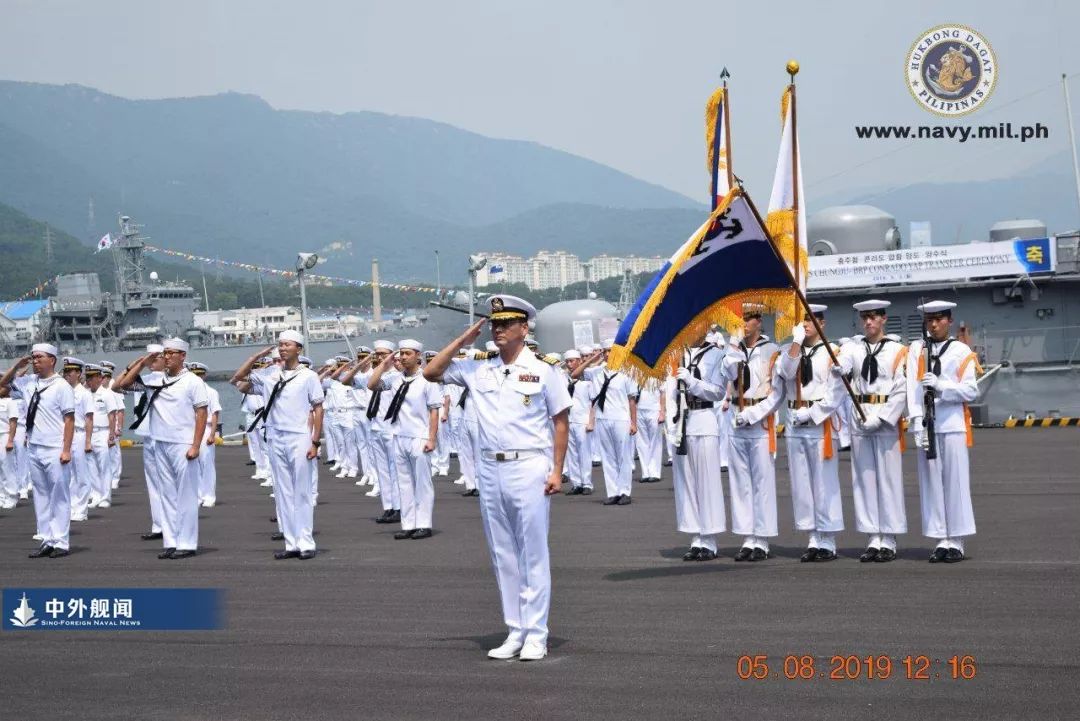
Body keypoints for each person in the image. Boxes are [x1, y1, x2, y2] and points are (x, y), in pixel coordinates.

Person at [424, 295, 570, 662]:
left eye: (507, 323)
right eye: (494, 323)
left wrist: (556, 470)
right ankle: (515, 631)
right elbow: (431, 372)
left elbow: (560, 422)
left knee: (533, 552)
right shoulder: (478, 367)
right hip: (490, 468)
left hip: (529, 466)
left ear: (525, 328)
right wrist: (463, 340)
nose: (498, 329)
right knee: (502, 553)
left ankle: (537, 633)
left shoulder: (545, 369)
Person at [232, 331, 325, 560]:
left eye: (287, 344)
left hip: (299, 436)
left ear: (299, 348)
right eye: (280, 345)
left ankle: (306, 543)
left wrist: (315, 441)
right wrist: (257, 356)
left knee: (301, 491)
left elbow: (318, 408)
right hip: (275, 436)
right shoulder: (269, 374)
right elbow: (237, 380)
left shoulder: (309, 376)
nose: (282, 348)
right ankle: (291, 543)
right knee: (282, 492)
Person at [114, 339, 208, 560]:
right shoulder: (155, 380)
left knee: (185, 495)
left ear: (182, 356)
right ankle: (172, 541)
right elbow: (122, 385)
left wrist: (196, 445)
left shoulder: (192, 382)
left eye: (170, 353)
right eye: (164, 353)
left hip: (183, 444)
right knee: (167, 494)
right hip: (160, 442)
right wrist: (143, 362)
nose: (166, 356)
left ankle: (187, 543)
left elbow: (201, 413)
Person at [835, 300, 909, 562]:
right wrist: (840, 368)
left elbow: (902, 388)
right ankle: (872, 537)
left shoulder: (898, 350)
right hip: (860, 416)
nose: (868, 322)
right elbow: (845, 364)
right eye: (864, 317)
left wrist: (884, 418)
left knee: (888, 480)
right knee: (864, 480)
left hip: (884, 419)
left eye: (873, 317)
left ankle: (889, 537)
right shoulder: (853, 348)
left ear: (884, 319)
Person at [906, 300, 980, 563]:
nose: (934, 324)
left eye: (939, 319)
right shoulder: (917, 349)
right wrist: (916, 422)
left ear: (949, 320)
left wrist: (942, 386)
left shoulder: (960, 351)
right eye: (929, 320)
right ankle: (941, 539)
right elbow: (911, 388)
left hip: (952, 424)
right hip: (928, 425)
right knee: (932, 484)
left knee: (955, 483)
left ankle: (957, 540)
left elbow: (971, 390)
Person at [776, 306, 845, 562]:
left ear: (822, 323)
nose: (806, 324)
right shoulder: (790, 350)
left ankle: (828, 539)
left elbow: (837, 392)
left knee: (823, 482)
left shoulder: (833, 352)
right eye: (803, 319)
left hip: (819, 420)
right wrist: (795, 341)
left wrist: (815, 413)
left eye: (811, 319)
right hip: (795, 419)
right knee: (802, 482)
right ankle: (813, 537)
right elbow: (786, 372)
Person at [1, 344, 76, 557]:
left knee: (59, 495)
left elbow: (69, 419)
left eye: (39, 357)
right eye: (33, 357)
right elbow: (3, 383)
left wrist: (66, 450)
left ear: (51, 360)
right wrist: (17, 365)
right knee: (41, 495)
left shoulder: (61, 386)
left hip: (54, 448)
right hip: (34, 447)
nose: (35, 361)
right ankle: (46, 539)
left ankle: (60, 541)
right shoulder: (29, 383)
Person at [721, 305, 782, 561]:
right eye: (740, 319)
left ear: (759, 321)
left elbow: (779, 392)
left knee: (761, 482)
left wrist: (755, 414)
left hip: (760, 418)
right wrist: (734, 347)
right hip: (736, 415)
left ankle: (762, 539)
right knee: (740, 482)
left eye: (747, 319)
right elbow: (726, 374)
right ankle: (747, 536)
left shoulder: (772, 351)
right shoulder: (732, 349)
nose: (743, 324)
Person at [367, 339, 442, 539]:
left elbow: (434, 411)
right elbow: (372, 385)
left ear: (418, 355)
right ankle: (409, 524)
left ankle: (424, 524)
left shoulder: (427, 379)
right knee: (404, 483)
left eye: (407, 353)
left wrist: (432, 438)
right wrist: (383, 364)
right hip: (399, 436)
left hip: (419, 436)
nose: (402, 356)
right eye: (400, 353)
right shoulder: (395, 380)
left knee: (422, 483)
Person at [671, 336, 728, 561]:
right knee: (687, 484)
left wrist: (692, 382)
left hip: (704, 418)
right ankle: (696, 537)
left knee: (707, 482)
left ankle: (710, 539)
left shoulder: (716, 355)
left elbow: (717, 392)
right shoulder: (677, 354)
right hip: (682, 422)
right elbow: (669, 390)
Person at [572, 339, 638, 505]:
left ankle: (625, 491)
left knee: (623, 456)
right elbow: (575, 374)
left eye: (611, 351)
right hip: (602, 418)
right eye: (605, 351)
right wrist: (593, 359)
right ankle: (613, 492)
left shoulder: (627, 372)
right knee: (608, 457)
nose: (608, 354)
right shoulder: (597, 372)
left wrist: (633, 422)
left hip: (621, 418)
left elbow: (631, 400)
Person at [341, 341, 400, 519]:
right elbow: (346, 381)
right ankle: (388, 506)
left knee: (395, 470)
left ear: (391, 355)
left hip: (392, 428)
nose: (379, 357)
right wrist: (361, 363)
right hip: (375, 426)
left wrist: (384, 364)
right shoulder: (373, 376)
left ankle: (398, 507)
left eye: (383, 354)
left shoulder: (398, 376)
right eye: (377, 354)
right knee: (381, 470)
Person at [118, 344, 168, 540]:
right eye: (150, 358)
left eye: (156, 358)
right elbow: (117, 385)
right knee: (154, 484)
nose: (152, 362)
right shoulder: (143, 379)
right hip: (149, 437)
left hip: (166, 436)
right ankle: (159, 526)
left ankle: (174, 524)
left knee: (170, 484)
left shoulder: (168, 379)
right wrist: (137, 364)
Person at [60, 357, 95, 523]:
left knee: (81, 474)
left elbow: (89, 419)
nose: (67, 374)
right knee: (69, 475)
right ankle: (72, 507)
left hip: (80, 434)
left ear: (79, 373)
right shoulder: (63, 391)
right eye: (65, 371)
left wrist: (88, 441)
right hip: (66, 436)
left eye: (70, 371)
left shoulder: (85, 394)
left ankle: (81, 509)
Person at [84, 364, 119, 510]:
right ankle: (96, 495)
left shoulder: (107, 394)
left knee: (104, 467)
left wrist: (111, 435)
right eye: (87, 378)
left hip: (103, 432)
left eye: (92, 378)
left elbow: (112, 415)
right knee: (91, 467)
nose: (89, 381)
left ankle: (105, 497)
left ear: (100, 378)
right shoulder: (86, 394)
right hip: (90, 434)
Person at [188, 362, 221, 508]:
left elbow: (214, 414)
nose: (196, 377)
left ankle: (209, 496)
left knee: (207, 464)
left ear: (204, 375)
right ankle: (198, 495)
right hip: (190, 429)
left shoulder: (211, 392)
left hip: (206, 428)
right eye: (194, 374)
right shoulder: (187, 390)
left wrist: (212, 434)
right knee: (192, 464)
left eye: (199, 374)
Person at [562, 349, 594, 496]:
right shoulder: (563, 379)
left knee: (584, 453)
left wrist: (591, 422)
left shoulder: (587, 380)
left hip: (582, 420)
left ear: (580, 361)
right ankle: (576, 483)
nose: (569, 364)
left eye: (572, 361)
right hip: (569, 421)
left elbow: (593, 402)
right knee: (572, 454)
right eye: (567, 361)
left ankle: (587, 483)